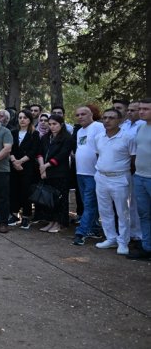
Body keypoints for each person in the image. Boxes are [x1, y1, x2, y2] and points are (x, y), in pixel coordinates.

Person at [94, 108, 137, 256]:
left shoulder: (128, 137)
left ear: (119, 120)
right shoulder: (99, 137)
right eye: (104, 118)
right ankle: (110, 238)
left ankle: (123, 242)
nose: (107, 120)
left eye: (111, 118)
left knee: (122, 211)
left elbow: (133, 159)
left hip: (120, 178)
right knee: (104, 210)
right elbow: (98, 155)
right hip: (101, 177)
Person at [71, 105, 106, 246]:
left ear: (91, 114)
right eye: (78, 115)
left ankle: (81, 232)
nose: (80, 117)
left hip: (93, 173)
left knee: (90, 203)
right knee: (87, 203)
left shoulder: (98, 127)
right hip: (81, 172)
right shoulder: (80, 131)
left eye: (83, 114)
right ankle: (95, 229)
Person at [36, 114, 72, 233]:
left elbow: (62, 155)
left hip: (60, 173)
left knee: (60, 199)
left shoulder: (66, 138)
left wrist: (45, 166)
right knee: (49, 199)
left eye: (54, 124)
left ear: (61, 124)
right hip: (46, 172)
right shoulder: (46, 137)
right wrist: (42, 167)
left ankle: (59, 222)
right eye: (50, 124)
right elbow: (39, 152)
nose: (52, 126)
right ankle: (51, 221)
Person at [8, 110, 40, 229]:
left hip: (27, 167)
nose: (22, 120)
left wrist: (20, 161)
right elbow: (10, 148)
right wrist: (14, 161)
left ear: (30, 120)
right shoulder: (13, 132)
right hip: (13, 165)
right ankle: (14, 214)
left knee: (26, 191)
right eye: (20, 117)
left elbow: (34, 150)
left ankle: (26, 216)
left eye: (25, 118)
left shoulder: (34, 134)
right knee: (14, 190)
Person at [129, 98, 151, 260]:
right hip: (140, 176)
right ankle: (147, 247)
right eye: (141, 108)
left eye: (146, 109)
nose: (142, 111)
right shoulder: (141, 127)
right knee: (144, 214)